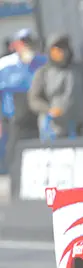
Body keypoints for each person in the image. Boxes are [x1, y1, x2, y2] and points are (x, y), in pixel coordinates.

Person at [27, 33, 83, 138]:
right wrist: (49, 109)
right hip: (55, 130)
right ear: (50, 51)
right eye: (56, 48)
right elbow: (34, 100)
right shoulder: (43, 73)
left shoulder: (78, 69)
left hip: (81, 128)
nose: (61, 51)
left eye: (63, 47)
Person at [0, 29, 46, 170]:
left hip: (38, 115)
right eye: (22, 43)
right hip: (12, 118)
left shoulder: (42, 63)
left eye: (28, 43)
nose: (26, 47)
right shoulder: (5, 65)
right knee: (13, 154)